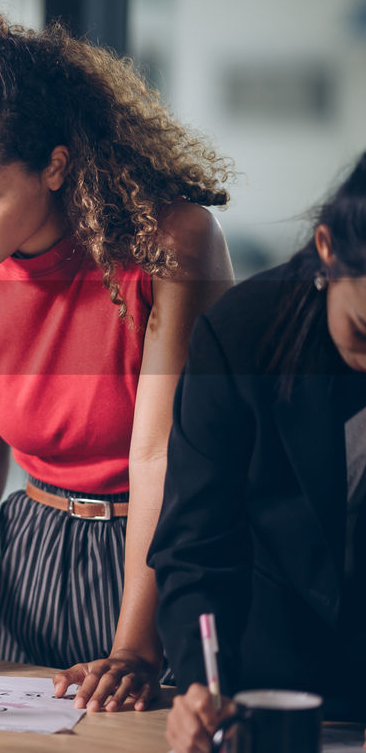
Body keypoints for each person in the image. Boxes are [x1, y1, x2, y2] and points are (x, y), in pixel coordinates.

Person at [0, 11, 235, 709]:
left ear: (55, 166)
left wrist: (134, 646)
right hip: (32, 551)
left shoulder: (170, 242)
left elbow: (161, 456)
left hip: (163, 554)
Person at [154, 153, 366, 751]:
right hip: (267, 685)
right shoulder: (241, 335)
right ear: (327, 248)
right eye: (364, 333)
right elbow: (196, 544)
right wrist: (200, 686)